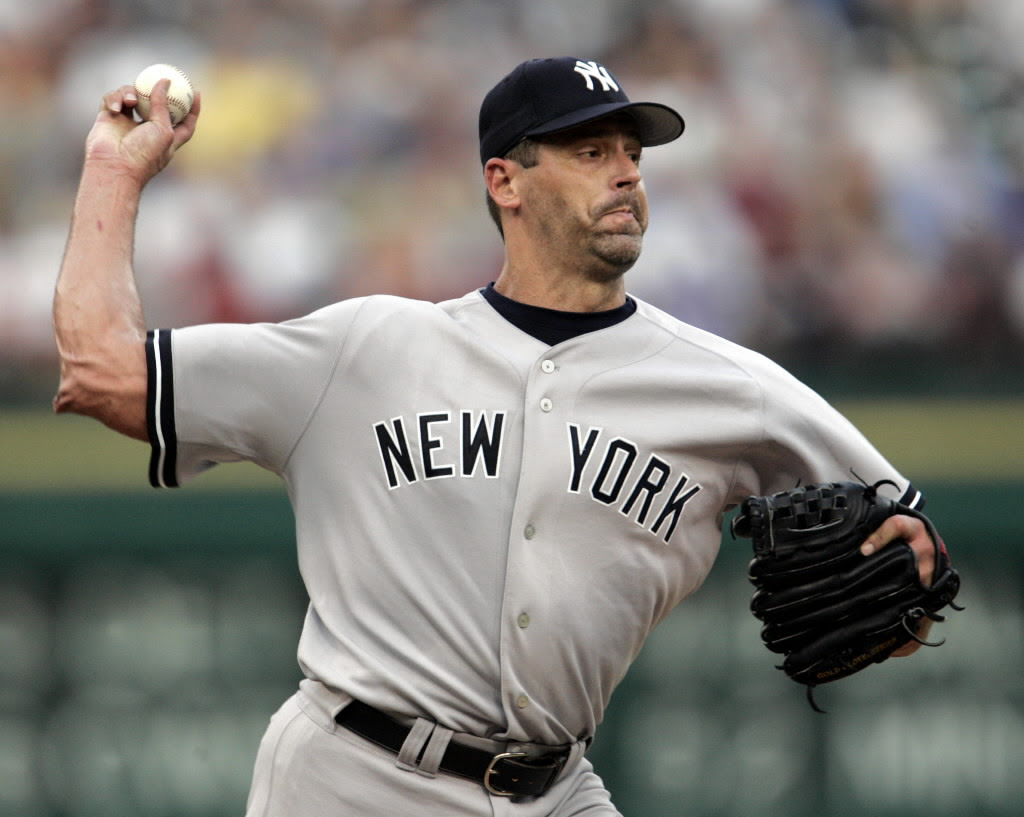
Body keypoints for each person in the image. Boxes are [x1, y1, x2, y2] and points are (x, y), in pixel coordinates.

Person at [53, 56, 943, 816]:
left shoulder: (734, 390)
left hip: (557, 790)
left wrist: (904, 597)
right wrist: (112, 173)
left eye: (632, 155)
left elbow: (910, 559)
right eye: (590, 152)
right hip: (350, 777)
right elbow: (100, 370)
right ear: (504, 181)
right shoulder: (364, 349)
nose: (626, 174)